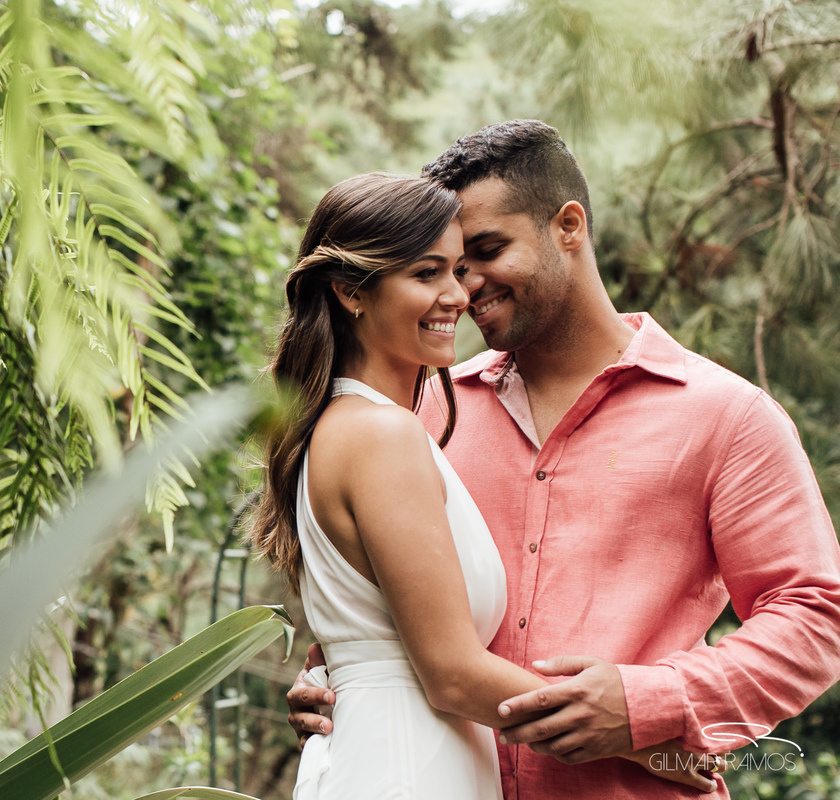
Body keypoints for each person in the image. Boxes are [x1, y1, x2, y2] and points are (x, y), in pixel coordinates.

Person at [285, 120, 840, 799]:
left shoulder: (727, 417)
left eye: (486, 251)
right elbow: (389, 616)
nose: (465, 289)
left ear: (569, 225)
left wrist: (645, 707)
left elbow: (815, 615)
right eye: (448, 267)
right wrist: (340, 678)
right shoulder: (420, 418)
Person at [251, 171, 717, 800]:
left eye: (458, 270)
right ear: (350, 292)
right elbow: (451, 674)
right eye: (426, 274)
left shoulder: (352, 425)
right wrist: (643, 743)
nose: (457, 295)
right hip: (407, 766)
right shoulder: (382, 436)